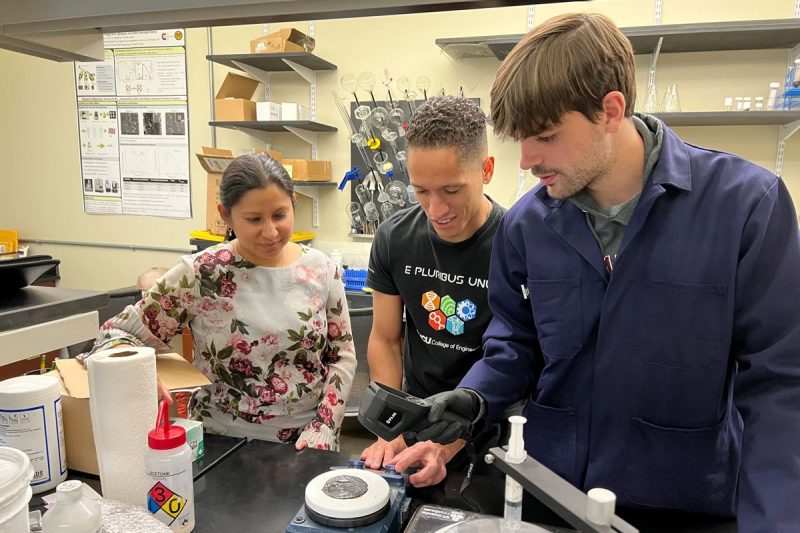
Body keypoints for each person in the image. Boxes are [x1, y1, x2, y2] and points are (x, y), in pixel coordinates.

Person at [414, 13, 800, 531]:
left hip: (684, 501)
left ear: (610, 110)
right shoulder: (527, 225)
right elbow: (515, 345)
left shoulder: (746, 207)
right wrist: (477, 396)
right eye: (521, 140)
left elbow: (779, 388)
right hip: (551, 490)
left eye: (546, 136)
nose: (528, 160)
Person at [84, 153, 356, 451]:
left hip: (307, 442)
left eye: (280, 215)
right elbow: (116, 334)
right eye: (254, 219)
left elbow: (340, 354)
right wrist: (134, 372)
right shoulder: (203, 272)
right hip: (222, 442)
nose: (270, 231)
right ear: (225, 215)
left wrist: (326, 425)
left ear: (293, 203)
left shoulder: (321, 269)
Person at [359, 95, 509, 487]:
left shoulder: (516, 244)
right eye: (421, 191)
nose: (436, 208)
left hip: (491, 429)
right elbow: (386, 338)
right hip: (415, 419)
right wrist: (388, 428)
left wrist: (448, 443)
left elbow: (515, 359)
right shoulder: (395, 238)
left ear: (487, 169)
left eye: (451, 190)